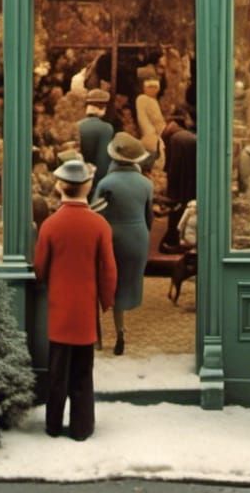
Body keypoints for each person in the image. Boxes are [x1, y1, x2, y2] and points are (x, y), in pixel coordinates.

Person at [33, 159, 117, 441]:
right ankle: (82, 427)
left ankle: (53, 424)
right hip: (84, 310)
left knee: (57, 372)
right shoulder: (99, 225)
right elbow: (108, 270)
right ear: (88, 186)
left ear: (59, 187)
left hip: (59, 308)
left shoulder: (50, 225)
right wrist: (106, 301)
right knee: (83, 371)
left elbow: (40, 267)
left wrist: (44, 280)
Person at [92, 132, 153, 357]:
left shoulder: (106, 183)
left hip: (112, 236)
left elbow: (94, 213)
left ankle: (99, 336)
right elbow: (149, 217)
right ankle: (120, 332)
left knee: (105, 281)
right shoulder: (146, 184)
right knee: (125, 285)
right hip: (137, 235)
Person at [160, 109, 197, 250]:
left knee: (177, 207)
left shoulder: (175, 137)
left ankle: (173, 240)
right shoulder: (184, 137)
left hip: (180, 179)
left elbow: (172, 166)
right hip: (188, 179)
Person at [77, 89, 115, 191]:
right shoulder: (106, 129)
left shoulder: (78, 125)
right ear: (103, 107)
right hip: (93, 183)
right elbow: (102, 163)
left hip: (76, 178)